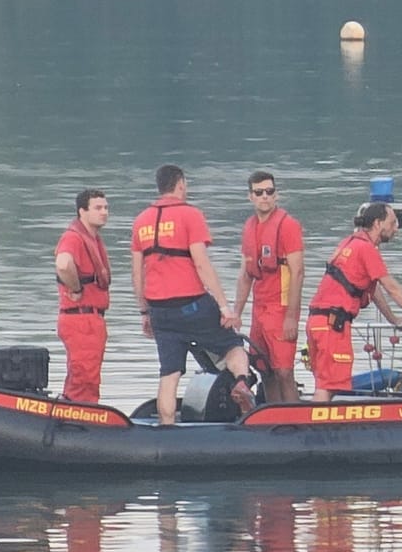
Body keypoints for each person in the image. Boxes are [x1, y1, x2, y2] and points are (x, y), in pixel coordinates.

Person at [131, 164, 254, 425]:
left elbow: (137, 274)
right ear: (181, 184)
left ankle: (166, 430)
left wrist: (144, 313)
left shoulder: (140, 220)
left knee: (169, 373)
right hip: (192, 305)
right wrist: (224, 307)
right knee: (232, 345)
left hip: (159, 311)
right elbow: (201, 263)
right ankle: (242, 383)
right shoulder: (190, 215)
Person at [305, 202, 402, 402]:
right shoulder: (366, 249)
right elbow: (392, 288)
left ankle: (310, 425)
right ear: (377, 223)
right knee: (328, 388)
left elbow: (373, 291)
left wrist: (393, 319)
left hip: (318, 322)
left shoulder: (349, 243)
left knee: (324, 384)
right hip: (332, 325)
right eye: (392, 222)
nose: (396, 228)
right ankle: (313, 430)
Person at [233, 171, 305, 403]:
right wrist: (236, 313)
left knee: (284, 372)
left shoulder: (288, 226)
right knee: (265, 370)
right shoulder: (249, 227)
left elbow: (298, 272)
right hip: (259, 309)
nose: (265, 196)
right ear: (250, 197)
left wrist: (291, 317)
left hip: (281, 308)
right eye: (259, 192)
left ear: (276, 195)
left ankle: (295, 422)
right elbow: (245, 275)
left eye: (270, 192)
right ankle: (271, 419)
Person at [54, 188, 111, 404]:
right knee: (84, 378)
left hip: (89, 319)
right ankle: (81, 420)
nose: (104, 212)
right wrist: (75, 288)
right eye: (98, 208)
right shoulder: (74, 238)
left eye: (106, 207)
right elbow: (63, 263)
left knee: (86, 376)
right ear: (82, 212)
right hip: (81, 318)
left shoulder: (92, 239)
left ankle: (78, 414)